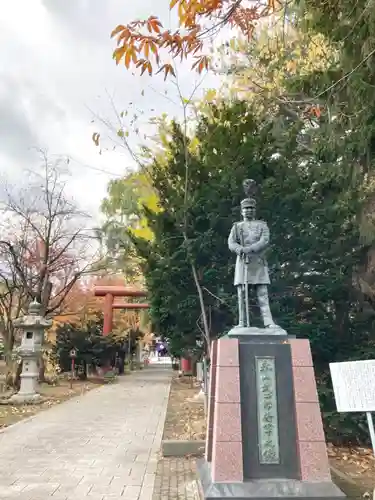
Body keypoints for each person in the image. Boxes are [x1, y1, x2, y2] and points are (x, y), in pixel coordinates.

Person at [228, 190, 276, 329]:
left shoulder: (262, 225)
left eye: (251, 208)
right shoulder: (236, 227)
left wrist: (251, 248)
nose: (248, 211)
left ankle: (268, 322)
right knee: (242, 294)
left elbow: (265, 240)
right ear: (241, 211)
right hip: (243, 262)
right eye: (246, 209)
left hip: (258, 262)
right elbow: (231, 242)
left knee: (262, 293)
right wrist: (239, 249)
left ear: (254, 210)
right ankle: (242, 322)